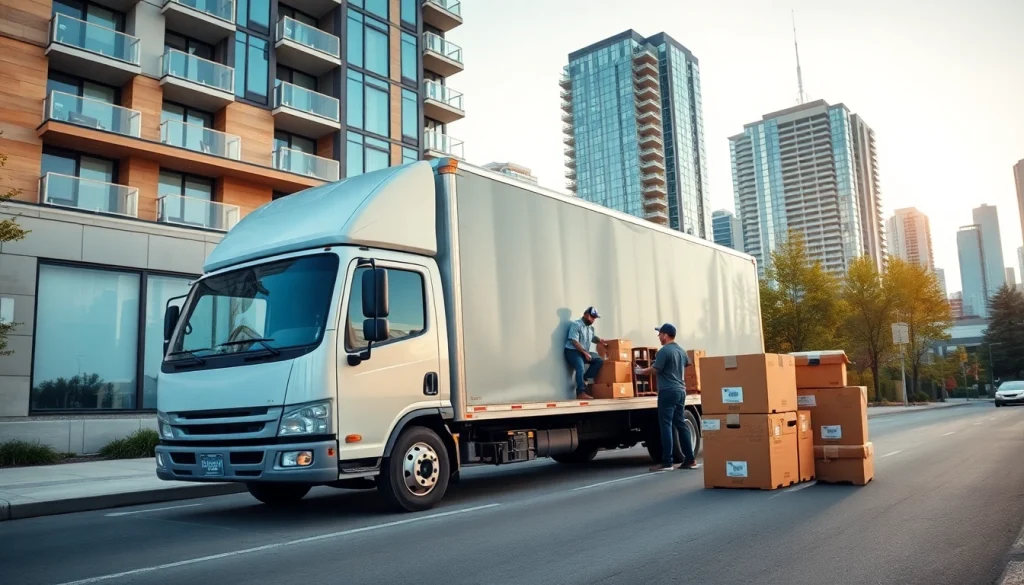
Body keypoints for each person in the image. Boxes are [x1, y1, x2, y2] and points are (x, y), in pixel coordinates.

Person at [635, 323, 698, 471]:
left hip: (667, 391)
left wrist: (640, 371)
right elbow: (688, 363)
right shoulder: (681, 351)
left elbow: (655, 369)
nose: (658, 336)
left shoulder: (664, 351)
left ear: (665, 335)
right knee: (680, 424)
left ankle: (667, 462)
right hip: (681, 390)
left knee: (666, 425)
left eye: (660, 334)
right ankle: (690, 459)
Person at [564, 307, 607, 400]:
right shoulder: (576, 324)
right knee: (580, 367)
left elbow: (592, 337)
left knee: (599, 360)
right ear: (585, 315)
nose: (593, 319)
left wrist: (600, 341)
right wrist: (585, 353)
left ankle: (585, 378)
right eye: (592, 317)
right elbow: (574, 341)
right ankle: (580, 393)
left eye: (595, 318)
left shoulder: (591, 328)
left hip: (584, 352)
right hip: (572, 351)